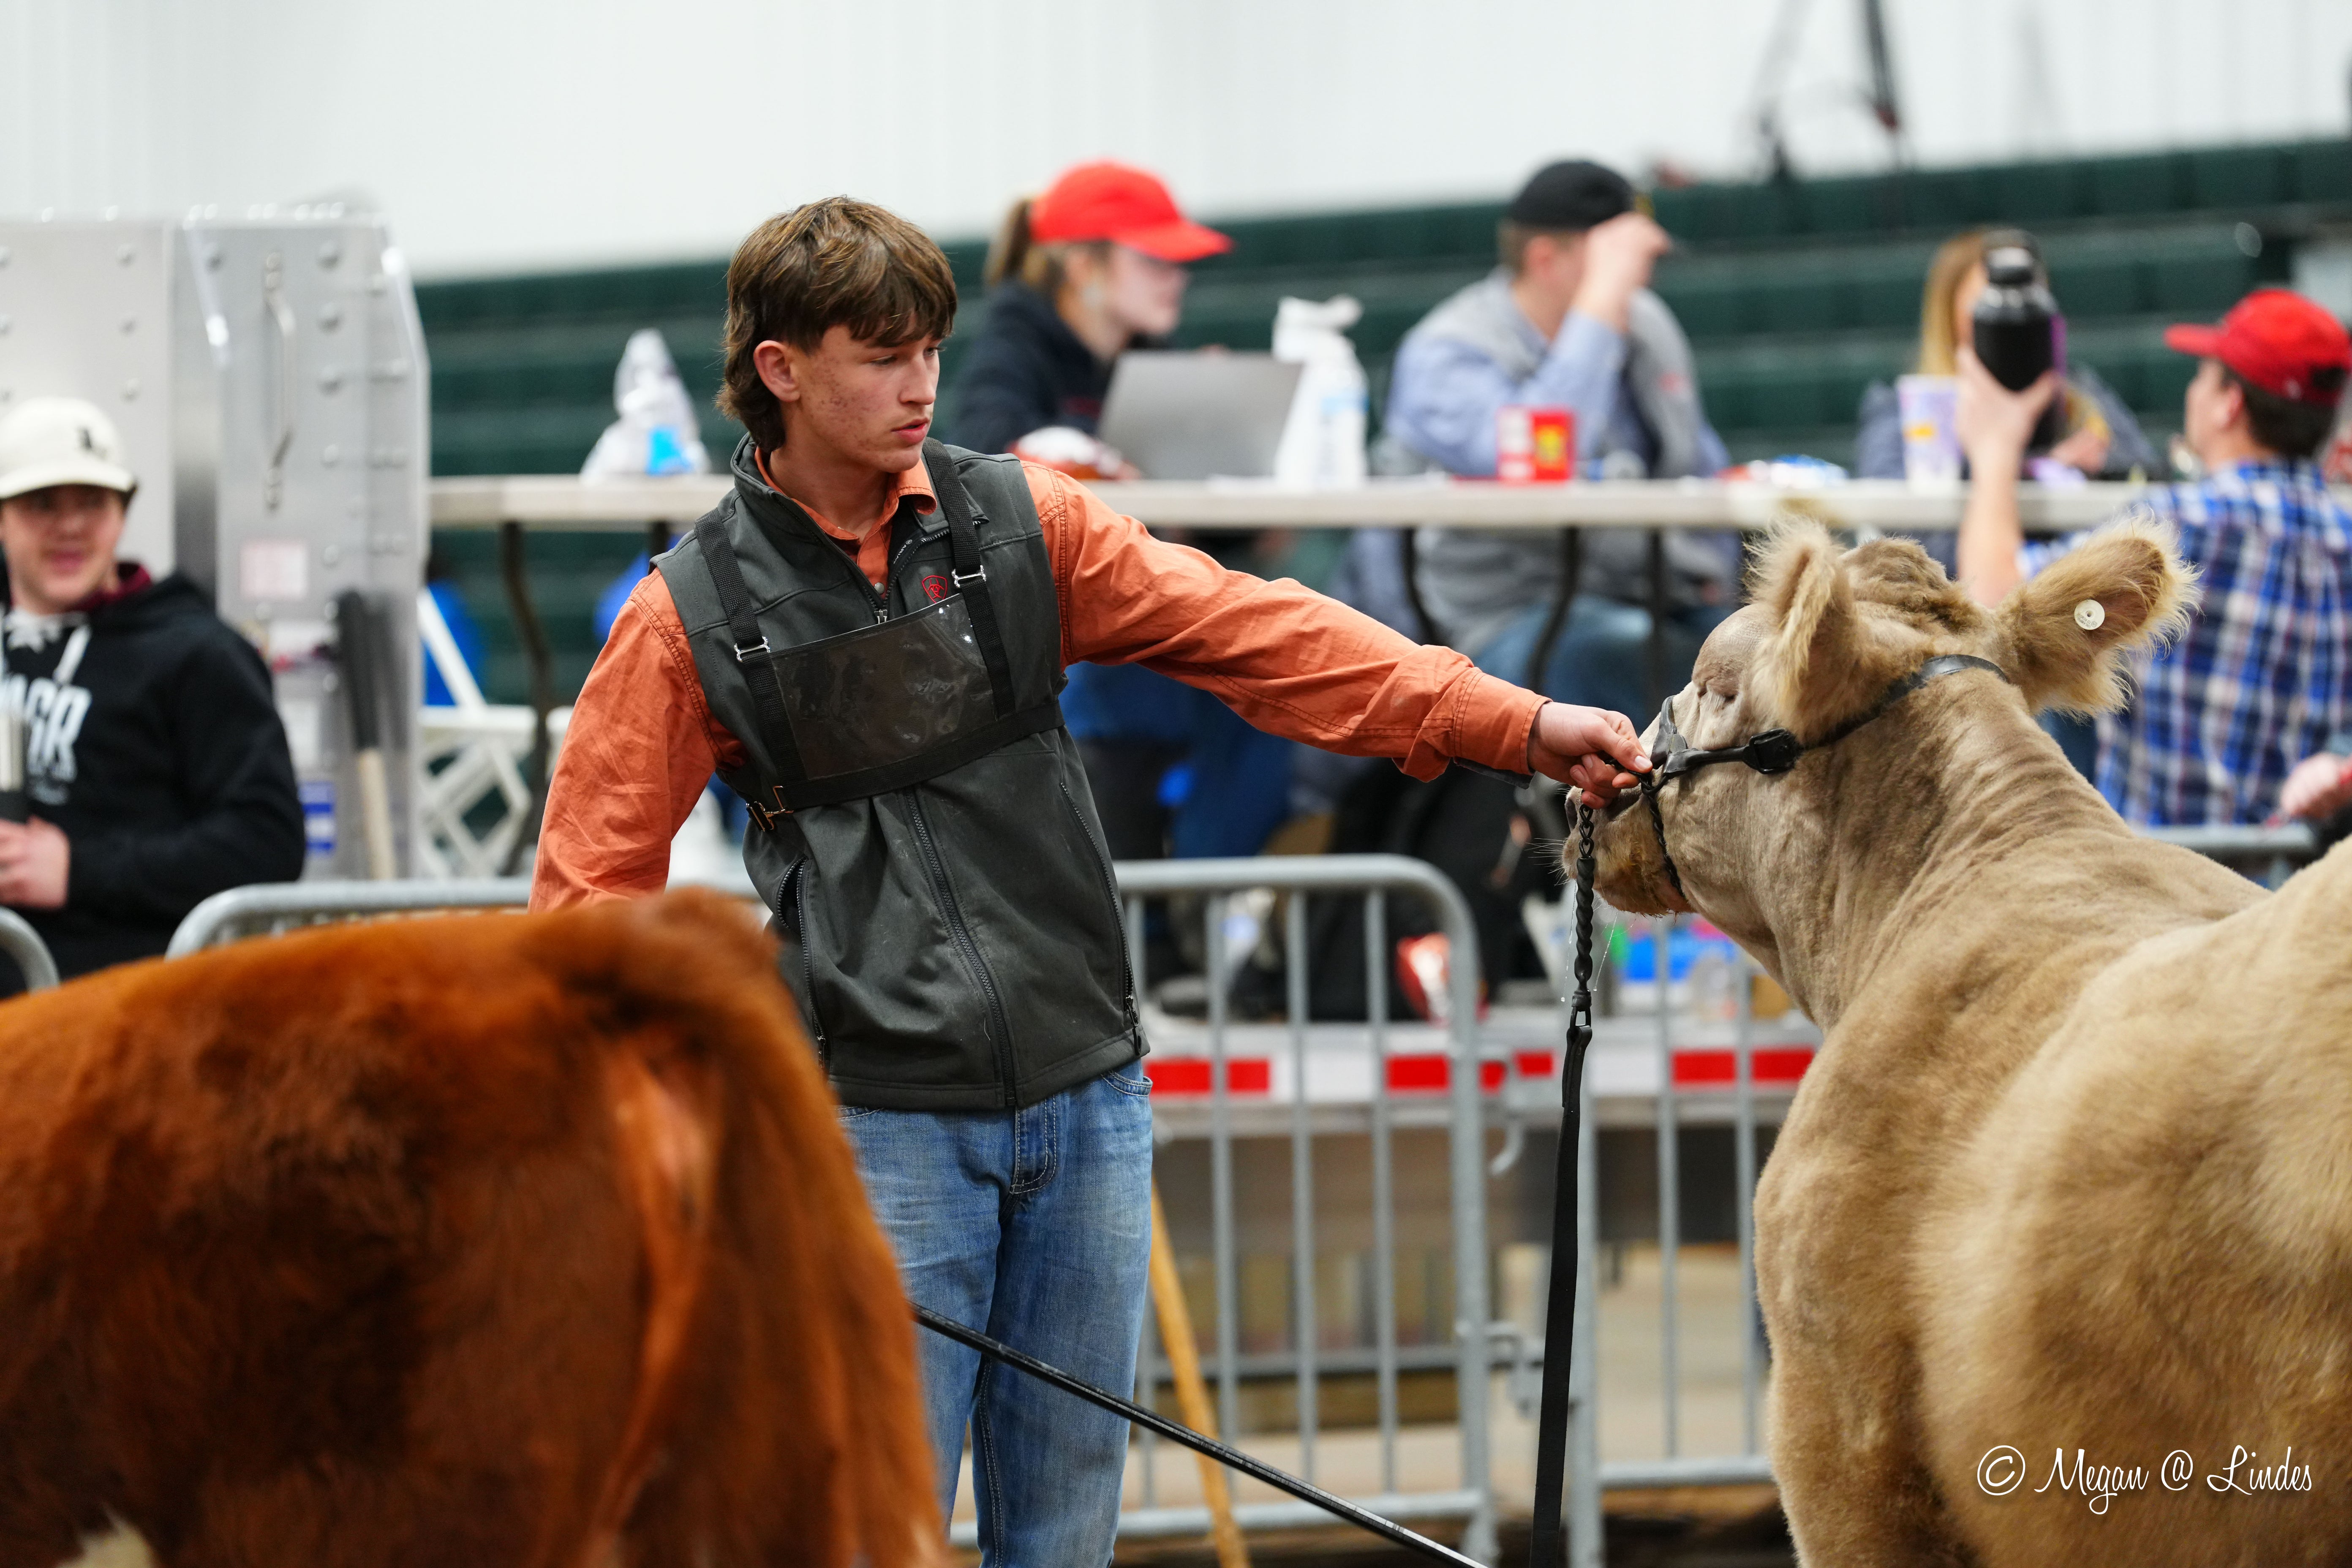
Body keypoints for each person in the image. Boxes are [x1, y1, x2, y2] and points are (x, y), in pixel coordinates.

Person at [529, 196, 1652, 1565]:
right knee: (866, 1535)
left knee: (1063, 1539)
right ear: (778, 370)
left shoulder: (1020, 520)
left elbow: (1259, 633)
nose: (919, 384)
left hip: (1091, 1103)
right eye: (880, 355)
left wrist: (1511, 723)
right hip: (877, 1136)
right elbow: (586, 915)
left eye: (930, 348)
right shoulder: (683, 615)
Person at [948, 163, 1289, 868]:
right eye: (1154, 259)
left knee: (1274, 684)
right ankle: (1145, 923)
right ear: (1084, 266)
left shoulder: (1146, 355)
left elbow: (1179, 509)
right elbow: (982, 452)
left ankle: (1204, 908)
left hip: (1135, 608)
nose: (1176, 277)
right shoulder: (1016, 339)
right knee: (1127, 680)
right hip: (1056, 633)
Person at [1954, 287, 2352, 826]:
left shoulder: (2175, 523)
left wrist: (1994, 449)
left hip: (2158, 882)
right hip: (2294, 889)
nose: (2193, 391)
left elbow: (1994, 599)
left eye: (2202, 376)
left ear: (2228, 403)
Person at [1378, 158, 1736, 718]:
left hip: (1656, 590)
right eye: (1618, 263)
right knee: (1643, 661)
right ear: (1545, 260)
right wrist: (1596, 313)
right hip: (1510, 613)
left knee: (1779, 654)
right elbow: (1542, 463)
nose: (1639, 280)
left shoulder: (1646, 324)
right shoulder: (1446, 352)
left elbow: (1696, 461)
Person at [0, 396, 304, 990]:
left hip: (118, 1022)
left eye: (93, 503)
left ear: (123, 514)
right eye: (42, 505)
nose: (70, 526)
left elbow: (267, 841)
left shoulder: (197, 655)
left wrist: (79, 871)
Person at [1854, 228, 2158, 490]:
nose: (2012, 317)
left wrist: (2091, 471)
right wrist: (2034, 472)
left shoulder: (2077, 391)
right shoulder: (1905, 406)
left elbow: (2146, 475)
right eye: (1991, 300)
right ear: (1949, 313)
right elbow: (1897, 515)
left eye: (2028, 299)